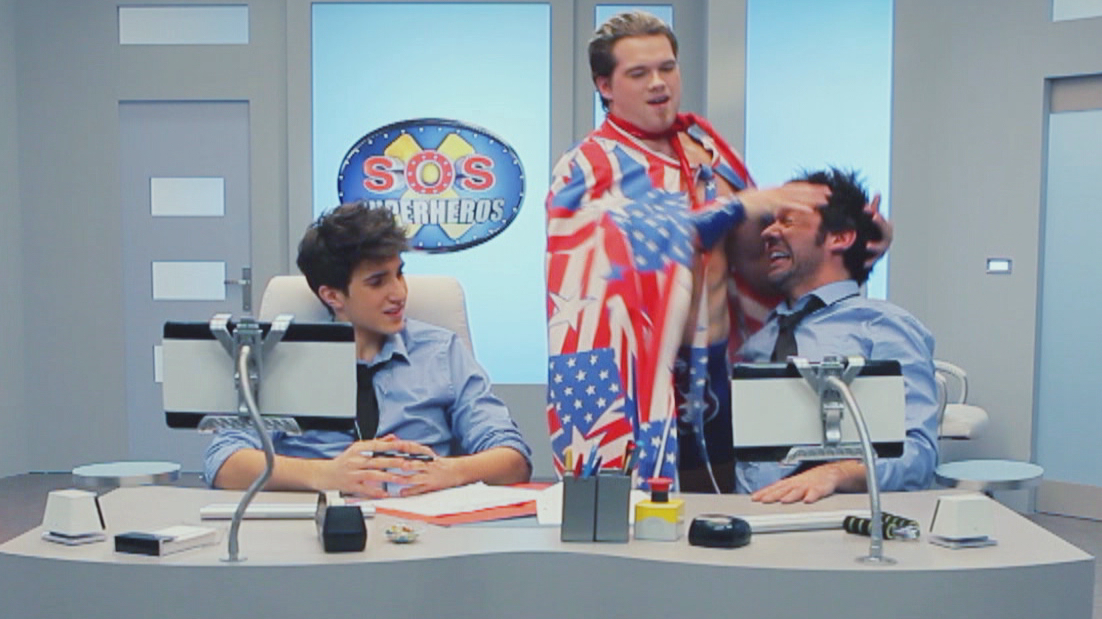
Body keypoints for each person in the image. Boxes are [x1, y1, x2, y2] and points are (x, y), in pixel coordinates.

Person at [547, 10, 880, 491]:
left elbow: (764, 262)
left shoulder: (709, 152)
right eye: (638, 73)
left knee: (742, 509)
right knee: (641, 520)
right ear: (605, 85)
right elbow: (611, 255)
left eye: (667, 67)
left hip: (728, 375)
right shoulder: (586, 165)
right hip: (639, 384)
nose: (658, 83)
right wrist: (735, 207)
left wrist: (859, 245)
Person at [205, 203, 532, 497]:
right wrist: (325, 474)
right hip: (315, 527)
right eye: (377, 282)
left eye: (399, 274)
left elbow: (513, 458)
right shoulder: (283, 360)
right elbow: (224, 462)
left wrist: (453, 472)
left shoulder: (442, 352)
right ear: (333, 296)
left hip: (422, 528)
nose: (399, 293)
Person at [736, 168, 938, 503]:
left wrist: (839, 473)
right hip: (745, 514)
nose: (769, 232)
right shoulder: (755, 334)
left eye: (787, 220)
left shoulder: (881, 326)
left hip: (836, 517)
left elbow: (918, 456)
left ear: (840, 237)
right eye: (770, 221)